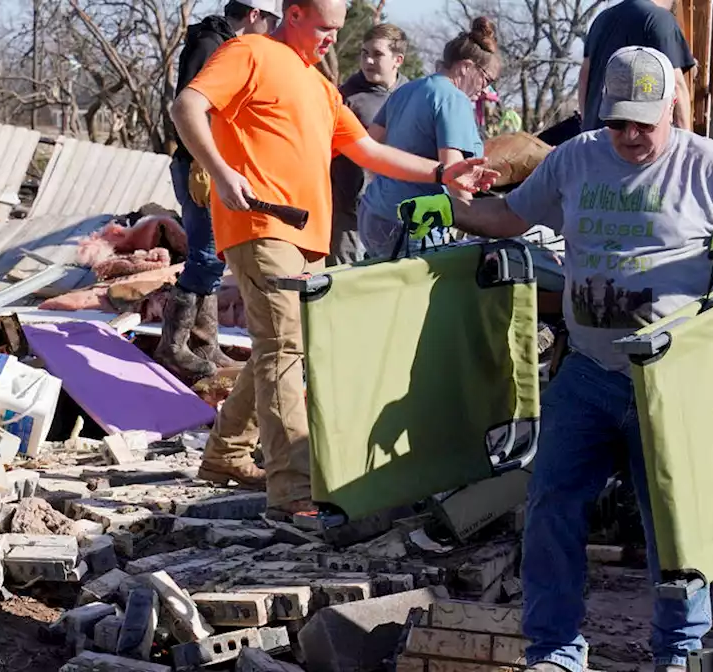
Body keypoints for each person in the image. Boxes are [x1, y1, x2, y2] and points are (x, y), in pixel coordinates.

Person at [395, 46, 713, 672]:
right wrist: (453, 211)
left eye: (644, 122)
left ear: (672, 107)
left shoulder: (706, 164)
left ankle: (679, 653)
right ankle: (555, 651)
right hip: (588, 374)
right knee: (552, 511)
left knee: (677, 526)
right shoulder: (575, 158)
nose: (631, 135)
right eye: (619, 122)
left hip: (671, 379)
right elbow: (511, 214)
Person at [169, 0, 499, 517]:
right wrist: (219, 169)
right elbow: (186, 106)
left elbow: (369, 150)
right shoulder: (249, 52)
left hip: (308, 237)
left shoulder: (320, 85)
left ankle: (226, 453)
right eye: (325, 28)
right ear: (293, 12)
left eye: (338, 30)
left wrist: (442, 174)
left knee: (279, 346)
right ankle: (294, 489)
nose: (332, 40)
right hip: (260, 225)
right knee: (285, 350)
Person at [158, 0, 282, 388]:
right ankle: (173, 344)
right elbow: (191, 106)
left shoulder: (224, 43)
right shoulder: (210, 44)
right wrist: (202, 163)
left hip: (214, 167)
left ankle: (204, 344)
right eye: (272, 20)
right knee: (206, 255)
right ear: (256, 15)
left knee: (213, 255)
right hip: (201, 167)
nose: (272, 30)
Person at [357, 17, 501, 259]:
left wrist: (386, 186)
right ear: (466, 67)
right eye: (486, 79)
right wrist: (481, 224)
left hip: (374, 214)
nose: (485, 89)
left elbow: (369, 147)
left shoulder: (406, 89)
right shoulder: (453, 99)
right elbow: (456, 175)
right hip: (414, 225)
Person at [328, 23, 410, 265]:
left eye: (377, 54)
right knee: (346, 282)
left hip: (398, 210)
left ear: (398, 60)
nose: (369, 61)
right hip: (349, 213)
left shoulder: (413, 93)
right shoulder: (345, 97)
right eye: (365, 53)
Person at [578, 0, 696, 132]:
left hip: (596, 138)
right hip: (636, 141)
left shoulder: (601, 20)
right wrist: (687, 144)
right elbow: (676, 86)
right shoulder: (659, 19)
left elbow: (584, 79)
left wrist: (587, 127)